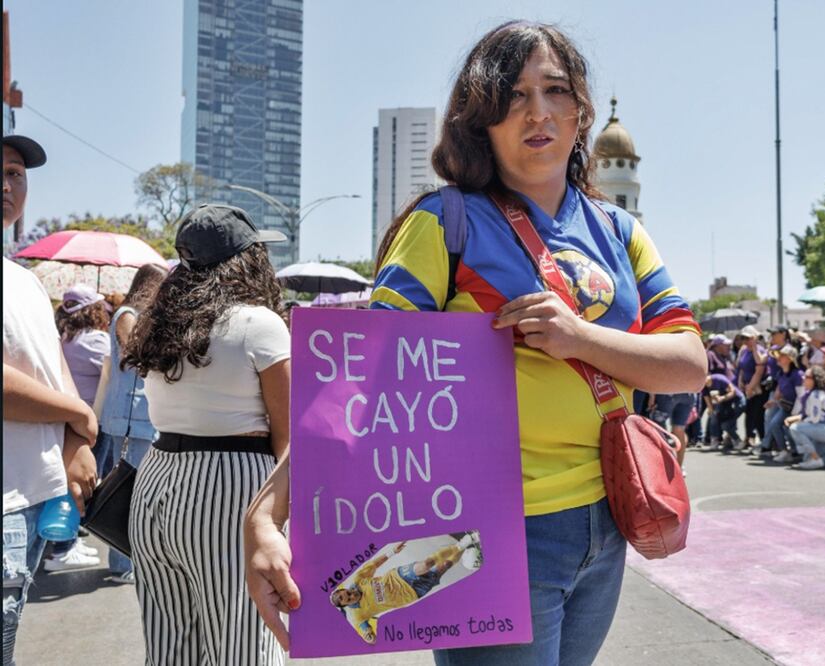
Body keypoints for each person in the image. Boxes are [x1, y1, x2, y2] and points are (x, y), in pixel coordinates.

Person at [242, 21, 706, 666]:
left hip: (609, 521)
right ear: (479, 118)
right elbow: (357, 383)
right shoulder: (446, 221)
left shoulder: (620, 230)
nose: (537, 112)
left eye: (555, 91)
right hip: (485, 533)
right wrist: (265, 514)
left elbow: (687, 365)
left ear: (581, 113)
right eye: (514, 96)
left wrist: (578, 337)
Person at [123, 204, 290, 665]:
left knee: (171, 647)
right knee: (243, 644)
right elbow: (289, 436)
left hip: (157, 479)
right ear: (247, 259)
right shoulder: (259, 323)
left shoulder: (162, 322)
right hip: (233, 484)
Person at [3, 134, 98, 665]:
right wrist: (78, 413)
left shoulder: (24, 280)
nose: (6, 183)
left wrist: (73, 441)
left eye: (15, 172)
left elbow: (51, 365)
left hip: (37, 494)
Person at [94, 262, 168, 583]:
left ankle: (126, 560)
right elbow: (133, 355)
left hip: (132, 416)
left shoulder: (131, 315)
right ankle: (123, 563)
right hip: (130, 417)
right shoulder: (127, 315)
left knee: (133, 488)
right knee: (130, 491)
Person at [41, 284, 111, 572]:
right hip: (88, 421)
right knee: (82, 486)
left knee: (63, 484)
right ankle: (65, 547)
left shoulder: (63, 338)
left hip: (61, 419)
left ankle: (66, 542)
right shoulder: (95, 341)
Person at [330, 533, 484, 644]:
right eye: (349, 599)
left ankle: (464, 542)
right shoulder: (356, 615)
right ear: (347, 605)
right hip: (411, 594)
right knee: (445, 566)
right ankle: (464, 551)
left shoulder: (358, 580)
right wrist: (369, 637)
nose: (352, 595)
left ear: (346, 589)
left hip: (398, 577)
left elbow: (374, 564)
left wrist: (391, 552)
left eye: (348, 593)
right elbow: (369, 636)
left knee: (426, 564)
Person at [787, 366, 825, 470]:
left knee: (795, 428)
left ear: (815, 380)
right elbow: (813, 416)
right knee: (807, 458)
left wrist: (798, 420)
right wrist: (797, 418)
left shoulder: (816, 395)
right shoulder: (814, 393)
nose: (804, 378)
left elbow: (814, 419)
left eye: (807, 376)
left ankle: (816, 459)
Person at [760, 345, 804, 463]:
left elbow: (801, 396)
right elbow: (779, 391)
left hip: (795, 409)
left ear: (790, 359)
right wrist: (773, 401)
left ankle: (792, 452)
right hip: (785, 407)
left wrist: (795, 413)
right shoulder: (781, 374)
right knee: (776, 425)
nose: (778, 357)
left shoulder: (798, 375)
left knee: (780, 426)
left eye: (783, 355)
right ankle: (788, 451)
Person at [737, 325, 768, 448]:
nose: (745, 341)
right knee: (749, 414)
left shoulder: (759, 350)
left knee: (758, 415)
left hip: (758, 388)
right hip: (747, 386)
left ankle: (764, 442)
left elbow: (759, 369)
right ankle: (749, 438)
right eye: (743, 338)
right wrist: (741, 381)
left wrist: (750, 387)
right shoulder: (744, 351)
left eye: (748, 338)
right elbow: (742, 367)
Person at [702, 371, 745, 451]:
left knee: (727, 424)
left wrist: (722, 398)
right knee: (714, 418)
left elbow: (733, 392)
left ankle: (737, 441)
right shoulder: (703, 386)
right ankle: (715, 440)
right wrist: (711, 409)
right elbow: (707, 399)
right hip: (725, 404)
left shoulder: (719, 379)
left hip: (736, 402)